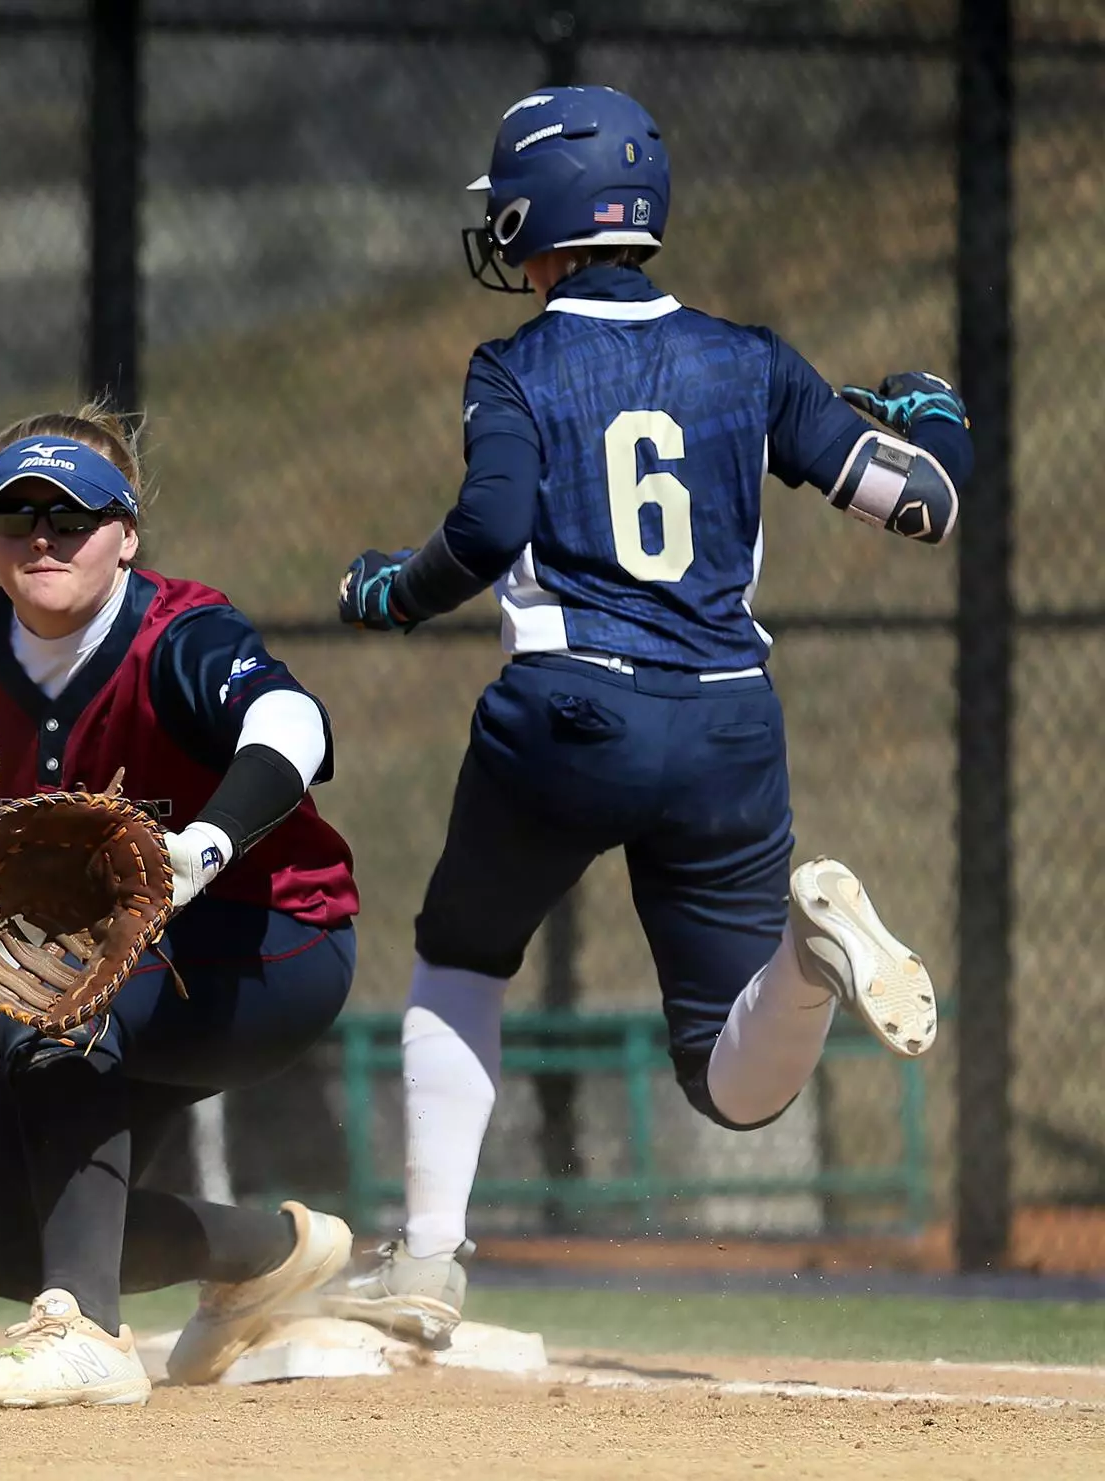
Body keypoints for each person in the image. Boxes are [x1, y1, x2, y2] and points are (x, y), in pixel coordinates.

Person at [331, 86, 972, 1346]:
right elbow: (923, 504)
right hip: (730, 722)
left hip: (569, 710)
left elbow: (489, 527)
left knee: (461, 950)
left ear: (537, 214)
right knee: (729, 1087)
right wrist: (935, 414)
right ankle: (811, 952)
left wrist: (393, 593)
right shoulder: (752, 360)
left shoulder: (514, 363)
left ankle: (430, 1258)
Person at [0, 402, 361, 1406]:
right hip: (122, 961)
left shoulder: (178, 632)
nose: (43, 536)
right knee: (8, 1242)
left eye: (72, 514)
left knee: (57, 1003)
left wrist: (201, 848)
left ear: (126, 533)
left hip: (274, 944)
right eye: (18, 516)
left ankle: (88, 1334)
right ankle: (271, 1249)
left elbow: (291, 721)